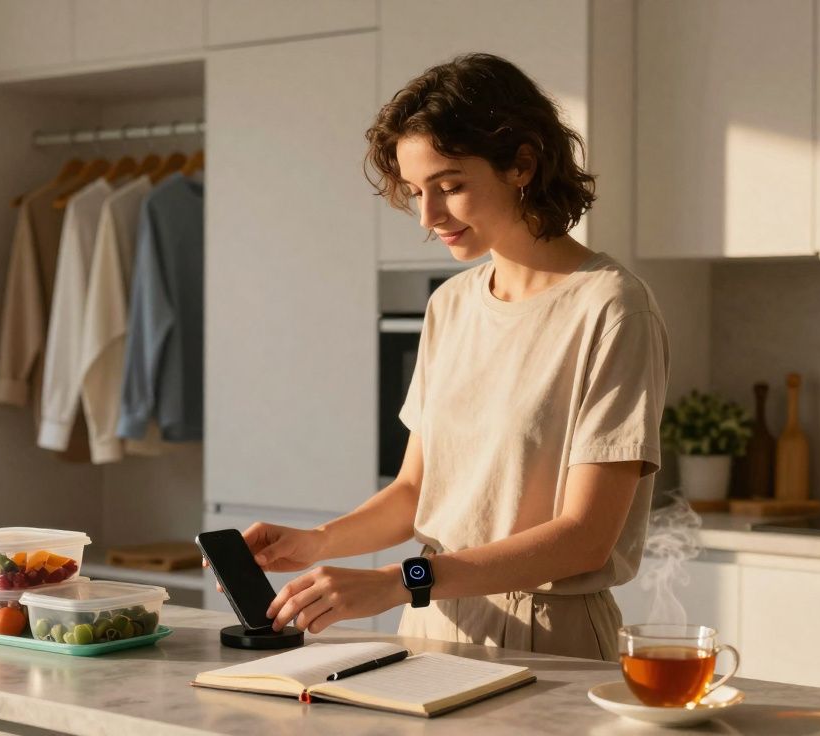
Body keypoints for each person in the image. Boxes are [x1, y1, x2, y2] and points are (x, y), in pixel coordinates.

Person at [237, 52, 670, 662]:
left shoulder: (611, 307)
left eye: (450, 187)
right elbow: (416, 489)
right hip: (430, 626)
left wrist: (398, 581)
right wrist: (315, 542)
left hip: (549, 639)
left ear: (522, 164)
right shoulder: (451, 304)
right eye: (417, 192)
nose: (428, 216)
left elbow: (585, 538)